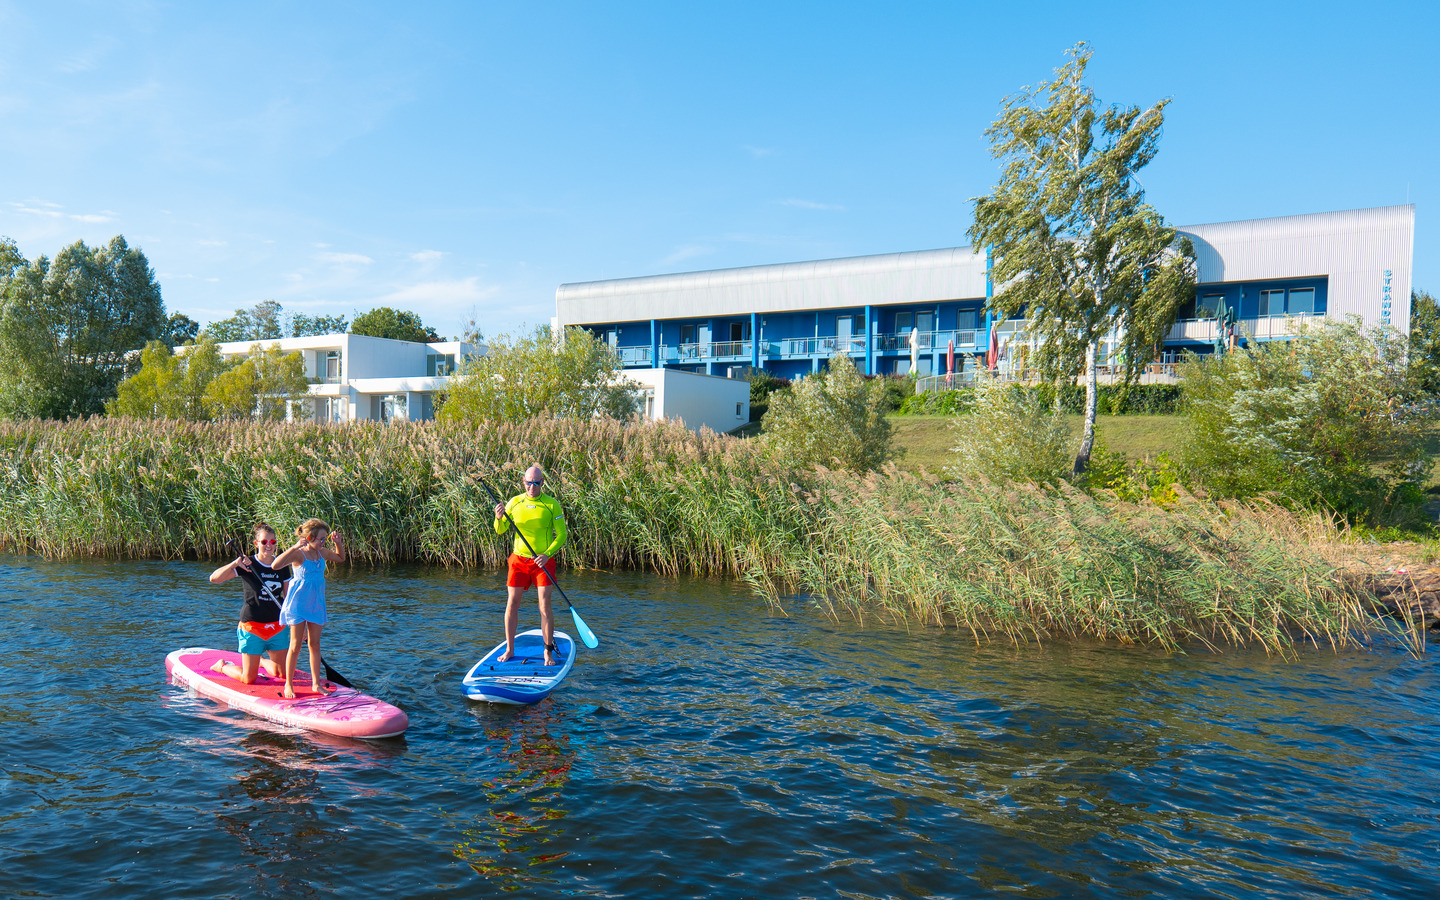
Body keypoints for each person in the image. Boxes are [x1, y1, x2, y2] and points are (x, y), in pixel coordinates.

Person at [493, 465, 567, 666]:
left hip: (542, 562)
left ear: (542, 483)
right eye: (529, 483)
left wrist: (547, 554)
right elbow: (500, 530)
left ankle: (548, 653)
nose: (532, 487)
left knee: (544, 606)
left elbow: (562, 535)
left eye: (536, 483)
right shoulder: (515, 502)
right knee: (512, 604)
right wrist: (498, 518)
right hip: (518, 560)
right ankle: (509, 650)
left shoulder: (551, 505)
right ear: (523, 482)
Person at [208, 523, 292, 684]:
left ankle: (259, 661)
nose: (269, 545)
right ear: (256, 544)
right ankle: (222, 666)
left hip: (277, 626)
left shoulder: (282, 565)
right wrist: (235, 563)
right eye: (264, 542)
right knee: (248, 679)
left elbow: (288, 598)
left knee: (281, 674)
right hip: (252, 626)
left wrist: (297, 625)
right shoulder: (247, 564)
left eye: (273, 542)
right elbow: (214, 579)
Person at [271, 518, 345, 699]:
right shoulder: (299, 555)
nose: (323, 542)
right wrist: (294, 547)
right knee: (295, 646)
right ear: (310, 537)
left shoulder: (322, 553)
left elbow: (341, 558)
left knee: (314, 644)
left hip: (316, 604)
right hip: (297, 605)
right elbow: (275, 565)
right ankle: (289, 684)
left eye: (325, 539)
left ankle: (316, 684)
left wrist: (338, 543)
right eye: (321, 538)